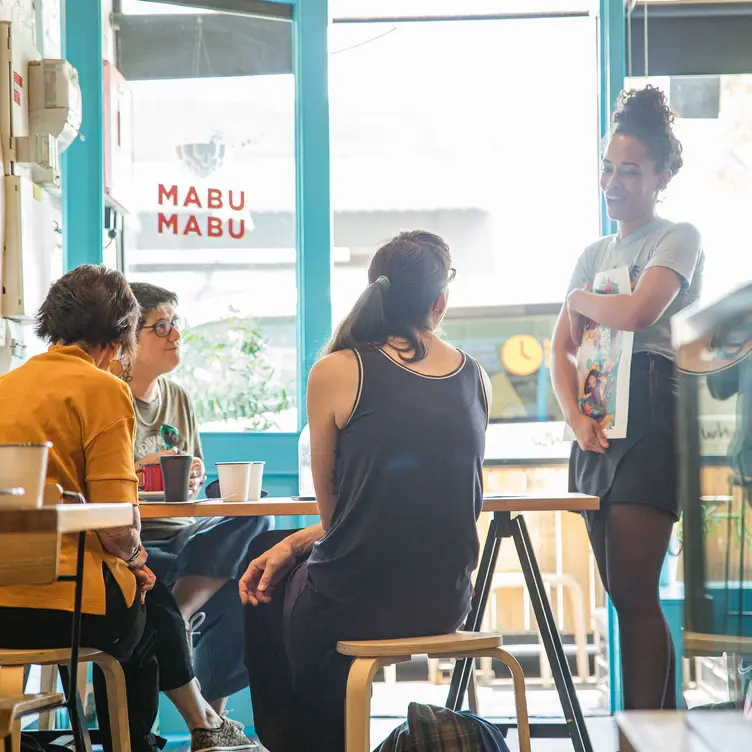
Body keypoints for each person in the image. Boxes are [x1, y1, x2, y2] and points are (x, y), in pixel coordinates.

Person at [239, 230, 492, 751]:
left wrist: (289, 545)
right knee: (278, 557)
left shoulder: (337, 370)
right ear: (439, 302)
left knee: (261, 585)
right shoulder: (476, 377)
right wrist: (294, 545)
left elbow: (337, 524)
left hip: (357, 602)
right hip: (446, 602)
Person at [0, 266, 257, 752]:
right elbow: (119, 526)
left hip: (3, 598)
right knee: (142, 607)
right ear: (123, 335)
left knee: (146, 600)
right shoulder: (103, 389)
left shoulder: (7, 385)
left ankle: (187, 729)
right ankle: (157, 736)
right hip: (69, 608)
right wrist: (138, 563)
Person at [551, 86, 705, 710]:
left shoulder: (679, 235)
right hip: (597, 419)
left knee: (637, 591)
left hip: (650, 411)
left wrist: (579, 300)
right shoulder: (594, 253)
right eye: (609, 168)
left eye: (631, 170)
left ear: (661, 177)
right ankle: (658, 730)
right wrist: (575, 418)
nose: (614, 181)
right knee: (620, 591)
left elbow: (641, 312)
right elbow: (560, 350)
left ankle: (647, 736)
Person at [123, 282, 273, 713]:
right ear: (129, 338)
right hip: (137, 542)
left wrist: (193, 478)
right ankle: (212, 724)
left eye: (176, 324)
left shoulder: (179, 397)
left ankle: (182, 612)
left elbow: (194, 469)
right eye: (161, 326)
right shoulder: (109, 396)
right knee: (240, 587)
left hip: (185, 535)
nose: (175, 335)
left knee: (256, 513)